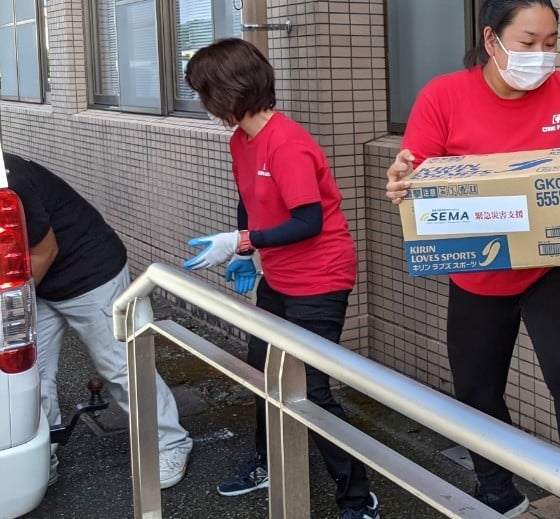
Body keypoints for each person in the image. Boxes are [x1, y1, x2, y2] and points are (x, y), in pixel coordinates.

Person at [385, 0, 560, 518]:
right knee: (476, 391)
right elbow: (414, 167)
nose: (542, 55)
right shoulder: (444, 96)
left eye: (552, 42)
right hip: (479, 272)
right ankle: (498, 492)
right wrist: (403, 177)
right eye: (530, 41)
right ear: (492, 40)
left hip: (557, 265)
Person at [182, 38, 377, 519]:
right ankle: (268, 463)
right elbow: (249, 199)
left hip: (321, 278)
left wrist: (241, 243)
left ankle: (358, 497)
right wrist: (246, 243)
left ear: (225, 92)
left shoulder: (287, 143)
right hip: (280, 275)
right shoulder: (240, 140)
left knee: (311, 389)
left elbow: (308, 222)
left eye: (204, 94)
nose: (204, 106)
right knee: (262, 372)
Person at [3, 152, 193, 488]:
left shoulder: (10, 176)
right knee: (31, 374)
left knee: (120, 367)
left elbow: (45, 251)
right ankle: (41, 458)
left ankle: (170, 444)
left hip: (91, 274)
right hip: (40, 285)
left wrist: (13, 303)